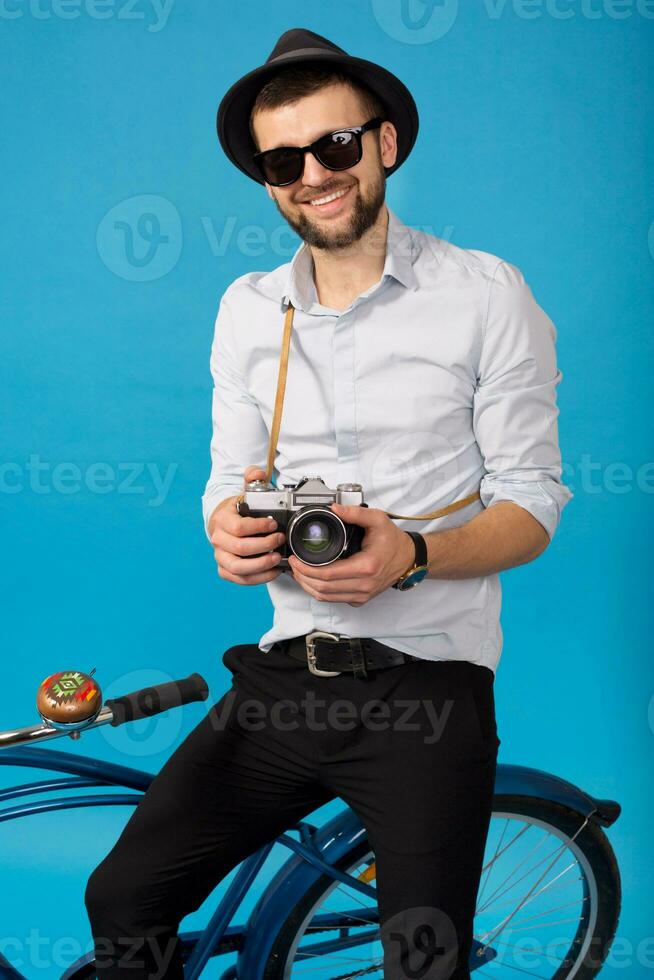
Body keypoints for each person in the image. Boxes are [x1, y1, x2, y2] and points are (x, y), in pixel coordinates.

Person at [84, 27, 572, 979]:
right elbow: (226, 480)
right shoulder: (247, 306)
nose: (313, 173)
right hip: (281, 684)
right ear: (268, 181)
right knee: (123, 896)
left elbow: (534, 503)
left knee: (423, 962)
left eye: (335, 145)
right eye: (282, 161)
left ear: (384, 143)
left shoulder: (486, 295)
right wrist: (226, 529)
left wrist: (414, 554)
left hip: (426, 691)